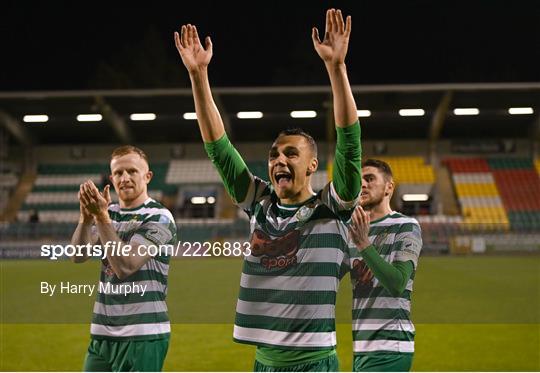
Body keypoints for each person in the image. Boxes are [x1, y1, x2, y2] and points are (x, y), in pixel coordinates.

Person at [175, 8, 361, 371]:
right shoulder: (260, 204)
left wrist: (337, 69)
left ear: (311, 165)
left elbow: (350, 144)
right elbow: (219, 149)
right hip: (264, 362)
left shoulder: (333, 206)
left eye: (291, 154)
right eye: (274, 154)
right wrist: (198, 76)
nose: (279, 160)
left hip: (315, 363)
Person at [71, 145, 177, 372]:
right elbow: (78, 255)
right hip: (102, 334)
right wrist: (86, 218)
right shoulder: (109, 214)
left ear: (147, 176)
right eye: (118, 173)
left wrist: (101, 217)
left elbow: (126, 265)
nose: (125, 178)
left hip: (142, 335)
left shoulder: (159, 216)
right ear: (111, 177)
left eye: (132, 171)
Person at [348, 159, 423, 372]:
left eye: (370, 179)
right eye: (359, 180)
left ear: (389, 187)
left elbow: (398, 283)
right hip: (361, 347)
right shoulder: (353, 230)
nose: (362, 184)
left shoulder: (406, 225)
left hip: (391, 346)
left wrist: (363, 243)